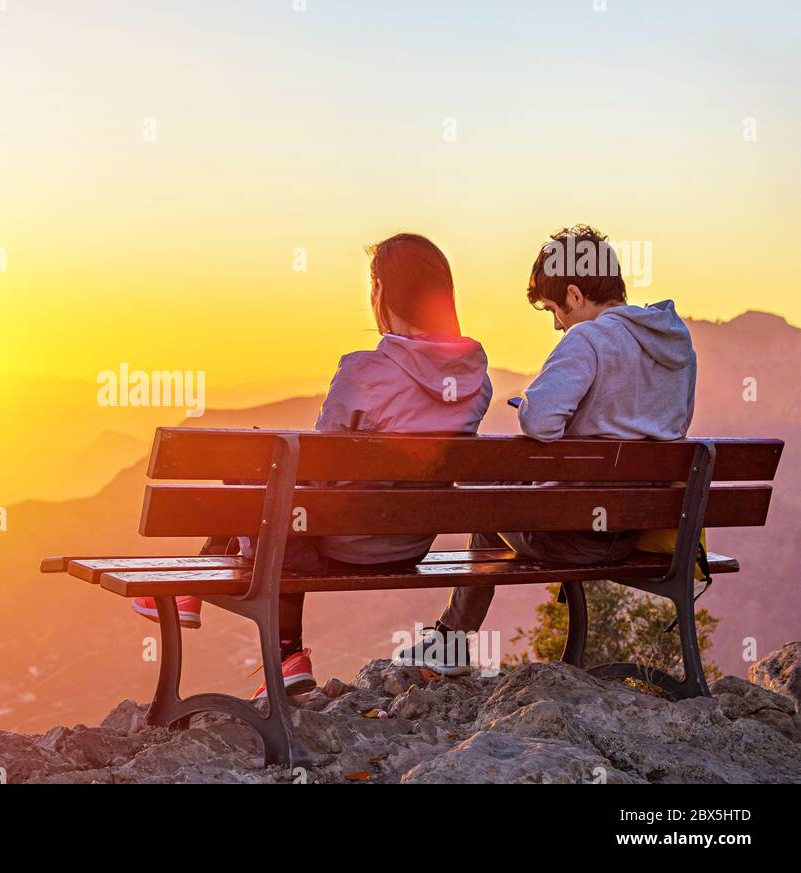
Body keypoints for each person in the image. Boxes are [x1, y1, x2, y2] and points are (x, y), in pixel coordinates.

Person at [130, 233, 493, 697]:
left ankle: (278, 648)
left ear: (381, 291)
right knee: (281, 482)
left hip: (348, 544)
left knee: (267, 472)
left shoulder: (364, 371)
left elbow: (317, 476)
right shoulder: (475, 379)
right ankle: (213, 603)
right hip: (411, 544)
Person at [398, 225, 698, 674]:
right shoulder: (675, 343)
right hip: (638, 534)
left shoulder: (589, 339)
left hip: (579, 536)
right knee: (502, 500)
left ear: (575, 295)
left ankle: (452, 643)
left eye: (556, 311)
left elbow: (539, 422)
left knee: (486, 505)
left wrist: (532, 403)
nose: (558, 324)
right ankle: (452, 642)